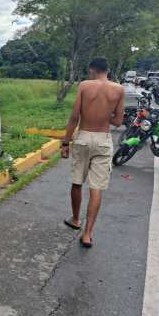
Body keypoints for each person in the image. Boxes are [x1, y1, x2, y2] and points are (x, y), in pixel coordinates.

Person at [61, 57, 124, 248]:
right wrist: (106, 115)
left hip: (83, 137)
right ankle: (88, 234)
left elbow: (74, 116)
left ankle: (75, 219)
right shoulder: (118, 90)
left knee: (77, 182)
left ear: (91, 70)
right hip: (103, 140)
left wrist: (66, 142)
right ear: (108, 70)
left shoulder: (85, 86)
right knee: (96, 187)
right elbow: (119, 122)